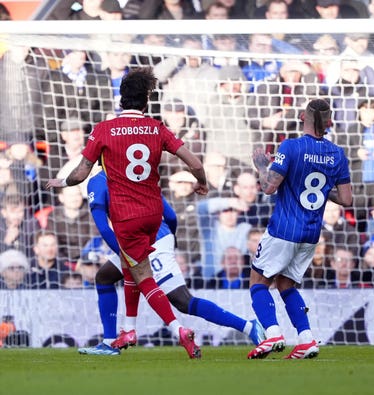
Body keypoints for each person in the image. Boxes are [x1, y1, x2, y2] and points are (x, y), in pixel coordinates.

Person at [46, 67, 208, 359]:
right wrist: (202, 183)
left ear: (120, 100)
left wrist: (63, 181)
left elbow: (82, 172)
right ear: (146, 102)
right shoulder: (158, 128)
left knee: (144, 276)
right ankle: (128, 331)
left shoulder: (104, 130)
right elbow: (194, 162)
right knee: (130, 267)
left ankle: (178, 329)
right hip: (154, 213)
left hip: (126, 216)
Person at [77, 170, 264, 355]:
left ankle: (248, 327)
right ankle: (110, 342)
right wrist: (170, 238)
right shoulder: (139, 171)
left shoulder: (98, 181)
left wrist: (127, 253)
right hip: (153, 236)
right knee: (104, 277)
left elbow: (102, 226)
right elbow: (171, 216)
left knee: (182, 300)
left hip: (148, 241)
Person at [247, 98, 352, 360]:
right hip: (311, 233)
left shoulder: (291, 147)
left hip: (284, 228)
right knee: (286, 284)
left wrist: (262, 165)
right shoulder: (337, 154)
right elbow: (347, 199)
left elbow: (269, 187)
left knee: (258, 282)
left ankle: (272, 335)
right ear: (328, 122)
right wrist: (323, 188)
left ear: (303, 118)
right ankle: (306, 339)